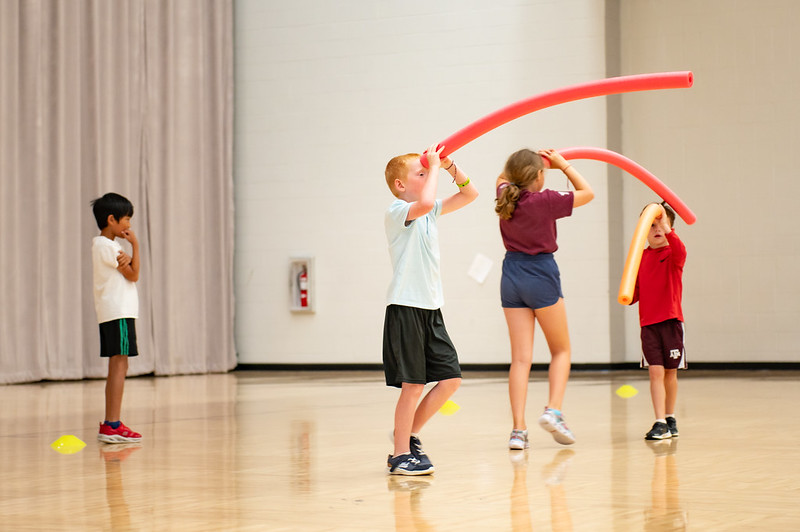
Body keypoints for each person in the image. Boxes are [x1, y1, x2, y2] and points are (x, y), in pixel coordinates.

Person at [383, 144, 479, 475]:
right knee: (413, 385)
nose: (427, 177)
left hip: (431, 308)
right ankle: (399, 455)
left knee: (450, 379)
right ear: (400, 185)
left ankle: (407, 434)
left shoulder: (430, 211)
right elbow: (424, 202)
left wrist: (450, 167)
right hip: (406, 306)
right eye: (419, 174)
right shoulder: (398, 211)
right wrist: (435, 166)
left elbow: (470, 194)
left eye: (427, 173)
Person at [495, 148, 594, 450]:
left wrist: (528, 166)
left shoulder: (504, 195)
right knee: (561, 350)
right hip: (540, 273)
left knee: (521, 359)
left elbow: (501, 177)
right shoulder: (547, 200)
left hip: (511, 274)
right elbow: (588, 192)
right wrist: (563, 164)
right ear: (539, 176)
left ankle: (518, 430)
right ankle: (553, 410)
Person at [630, 203, 687, 441]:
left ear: (670, 228)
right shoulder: (640, 258)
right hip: (649, 325)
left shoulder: (673, 255)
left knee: (670, 373)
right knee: (655, 372)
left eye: (661, 225)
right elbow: (634, 295)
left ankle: (669, 415)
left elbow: (681, 250)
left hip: (671, 322)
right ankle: (659, 421)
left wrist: (667, 226)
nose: (657, 230)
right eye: (651, 225)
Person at [91, 192, 143, 444]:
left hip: (117, 312)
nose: (129, 225)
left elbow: (130, 272)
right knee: (119, 365)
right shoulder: (107, 246)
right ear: (111, 219)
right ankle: (112, 424)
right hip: (118, 312)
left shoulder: (108, 246)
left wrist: (130, 254)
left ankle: (112, 422)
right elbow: (133, 275)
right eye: (126, 219)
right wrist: (136, 246)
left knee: (119, 364)